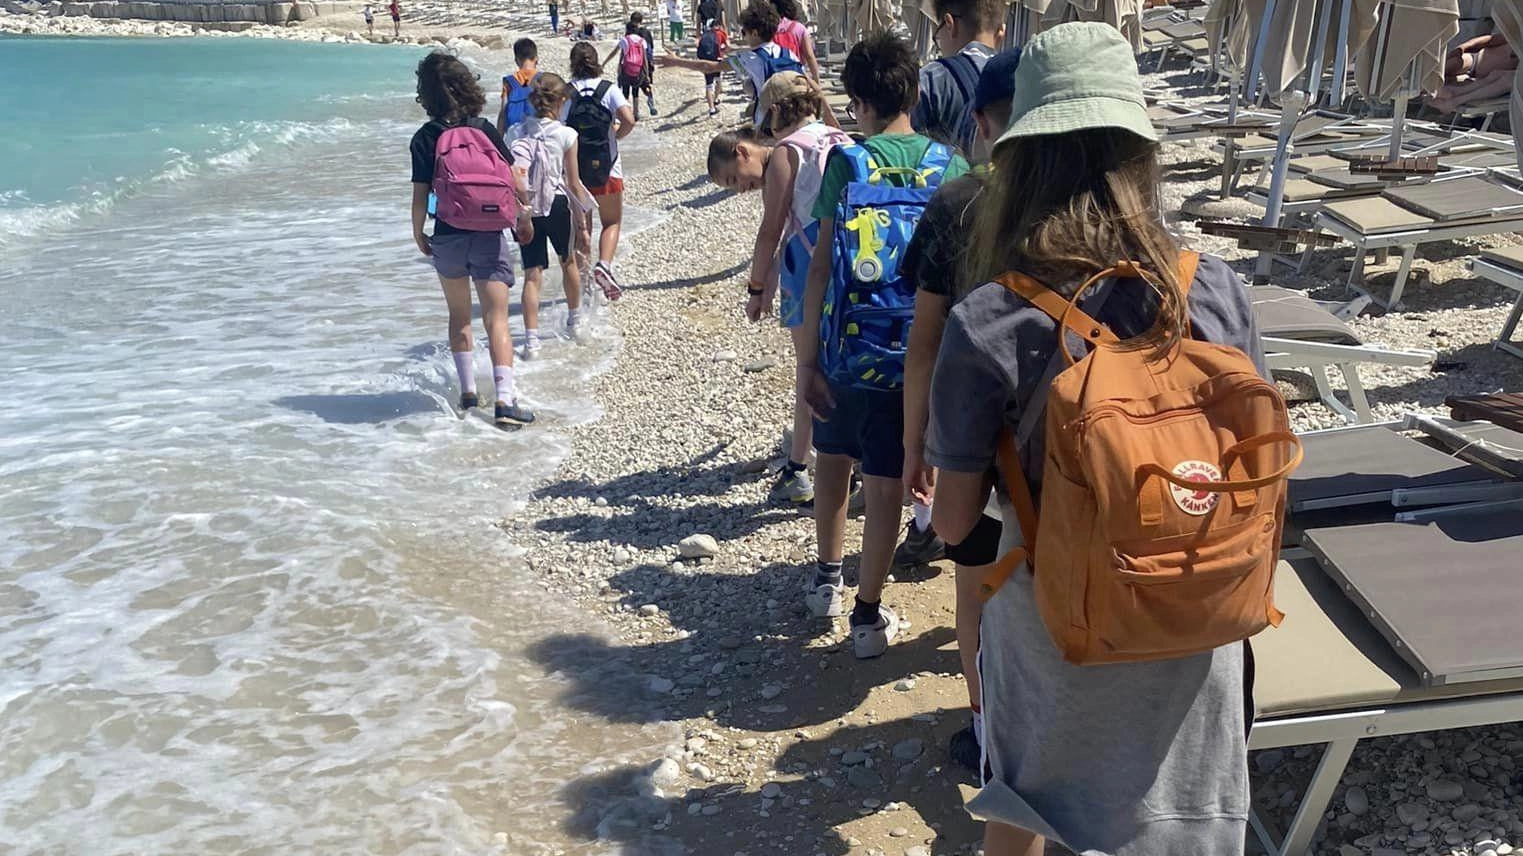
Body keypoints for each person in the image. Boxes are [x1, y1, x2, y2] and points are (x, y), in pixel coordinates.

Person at [925, 24, 1258, 855]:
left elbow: (955, 523)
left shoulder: (990, 319)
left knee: (1024, 808)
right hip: (1202, 614)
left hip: (1058, 628)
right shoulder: (1214, 288)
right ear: (1139, 152)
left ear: (1020, 154)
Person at [797, 32, 970, 657]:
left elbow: (821, 269)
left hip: (848, 353)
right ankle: (867, 618)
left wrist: (809, 362)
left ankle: (826, 580)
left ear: (857, 102)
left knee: (834, 463)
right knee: (891, 480)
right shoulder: (950, 166)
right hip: (917, 361)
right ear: (918, 93)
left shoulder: (846, 163)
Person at [897, 45, 1020, 772]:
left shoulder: (960, 199)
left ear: (979, 121)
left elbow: (926, 341)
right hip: (1078, 439)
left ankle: (986, 735)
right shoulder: (1108, 200)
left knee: (975, 589)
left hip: (977, 435)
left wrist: (916, 446)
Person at [706, 72, 851, 506]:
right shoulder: (838, 137)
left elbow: (772, 231)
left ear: (743, 149)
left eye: (735, 178)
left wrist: (755, 288)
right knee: (841, 363)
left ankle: (799, 466)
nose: (742, 187)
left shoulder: (787, 154)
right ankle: (852, 458)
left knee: (808, 369)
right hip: (849, 262)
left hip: (810, 270)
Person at [409, 53, 537, 428]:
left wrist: (418, 232)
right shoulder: (484, 128)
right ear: (467, 86)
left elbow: (420, 195)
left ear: (426, 94)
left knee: (459, 316)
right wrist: (523, 217)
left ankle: (467, 395)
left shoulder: (425, 137)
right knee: (496, 319)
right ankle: (504, 401)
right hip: (488, 232)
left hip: (447, 234)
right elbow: (514, 180)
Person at [511, 73, 597, 356]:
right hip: (558, 204)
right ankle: (574, 323)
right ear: (560, 101)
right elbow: (573, 183)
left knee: (532, 274)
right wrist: (582, 220)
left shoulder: (516, 132)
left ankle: (531, 341)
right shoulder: (566, 134)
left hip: (527, 208)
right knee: (568, 261)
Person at [564, 41, 637, 302]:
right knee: (612, 222)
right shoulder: (609, 89)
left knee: (583, 227)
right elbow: (629, 120)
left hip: (576, 172)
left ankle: (584, 287)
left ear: (573, 64)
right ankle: (603, 265)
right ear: (596, 62)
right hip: (608, 167)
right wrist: (616, 136)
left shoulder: (567, 93)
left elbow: (560, 131)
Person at [911, 0, 1002, 156]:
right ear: (1001, 33)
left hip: (947, 178)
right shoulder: (1018, 75)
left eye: (937, 37)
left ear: (949, 24)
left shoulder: (933, 77)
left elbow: (909, 144)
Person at [607, 20, 651, 119]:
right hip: (638, 70)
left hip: (626, 69)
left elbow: (619, 55)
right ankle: (636, 113)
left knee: (625, 92)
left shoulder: (625, 40)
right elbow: (644, 59)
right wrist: (647, 74)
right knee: (635, 92)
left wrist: (606, 63)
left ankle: (626, 114)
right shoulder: (642, 41)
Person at [768, 0, 820, 80]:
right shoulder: (798, 28)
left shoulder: (769, 29)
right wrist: (817, 81)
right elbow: (809, 57)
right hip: (797, 76)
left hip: (775, 78)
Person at [500, 38, 541, 137]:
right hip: (537, 133)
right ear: (536, 59)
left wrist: (499, 140)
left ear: (516, 60)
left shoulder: (508, 81)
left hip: (515, 136)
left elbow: (503, 112)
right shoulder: (543, 79)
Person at [696, 18, 729, 116]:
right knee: (718, 81)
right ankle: (716, 99)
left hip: (706, 62)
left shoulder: (704, 36)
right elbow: (727, 46)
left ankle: (711, 109)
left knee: (709, 85)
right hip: (717, 61)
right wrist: (723, 53)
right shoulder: (721, 33)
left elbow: (697, 47)